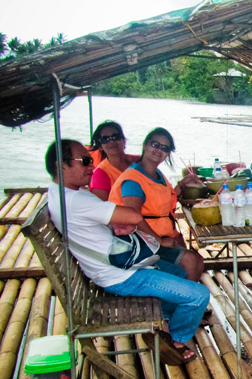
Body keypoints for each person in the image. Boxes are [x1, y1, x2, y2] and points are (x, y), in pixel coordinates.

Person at [45, 139, 210, 363]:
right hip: (118, 275)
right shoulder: (75, 200)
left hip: (109, 263)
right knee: (198, 295)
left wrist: (114, 222)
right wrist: (123, 221)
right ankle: (177, 341)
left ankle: (167, 327)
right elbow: (133, 215)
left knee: (181, 273)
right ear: (61, 166)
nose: (92, 166)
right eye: (84, 161)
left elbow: (106, 218)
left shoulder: (60, 193)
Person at [109, 127, 204, 281]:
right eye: (155, 144)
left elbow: (161, 201)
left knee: (197, 260)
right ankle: (187, 298)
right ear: (146, 145)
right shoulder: (133, 180)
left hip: (155, 238)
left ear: (168, 154)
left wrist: (180, 185)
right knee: (192, 261)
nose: (159, 150)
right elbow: (132, 216)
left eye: (165, 148)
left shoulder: (157, 174)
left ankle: (185, 299)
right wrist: (159, 241)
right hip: (139, 242)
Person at [88, 121, 141, 201]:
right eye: (105, 139)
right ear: (100, 146)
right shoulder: (100, 175)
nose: (111, 141)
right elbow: (102, 209)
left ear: (124, 140)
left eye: (115, 137)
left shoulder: (139, 161)